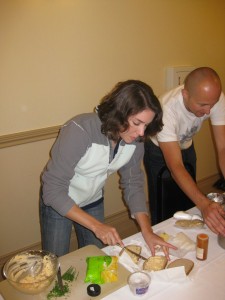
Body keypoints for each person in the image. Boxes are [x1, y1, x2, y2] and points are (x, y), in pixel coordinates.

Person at [40, 79, 177, 258]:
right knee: (55, 262)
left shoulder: (135, 140)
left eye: (146, 125)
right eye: (137, 123)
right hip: (59, 201)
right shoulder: (80, 130)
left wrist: (147, 231)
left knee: (96, 258)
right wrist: (96, 226)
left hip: (93, 199)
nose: (142, 133)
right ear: (120, 113)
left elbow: (133, 183)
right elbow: (52, 190)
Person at [144, 67, 225, 235]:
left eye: (213, 104)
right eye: (202, 105)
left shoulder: (215, 98)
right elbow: (175, 166)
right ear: (185, 94)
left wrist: (202, 203)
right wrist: (204, 205)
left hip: (186, 144)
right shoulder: (166, 109)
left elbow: (223, 148)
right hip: (158, 150)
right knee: (163, 204)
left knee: (189, 199)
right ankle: (162, 237)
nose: (208, 111)